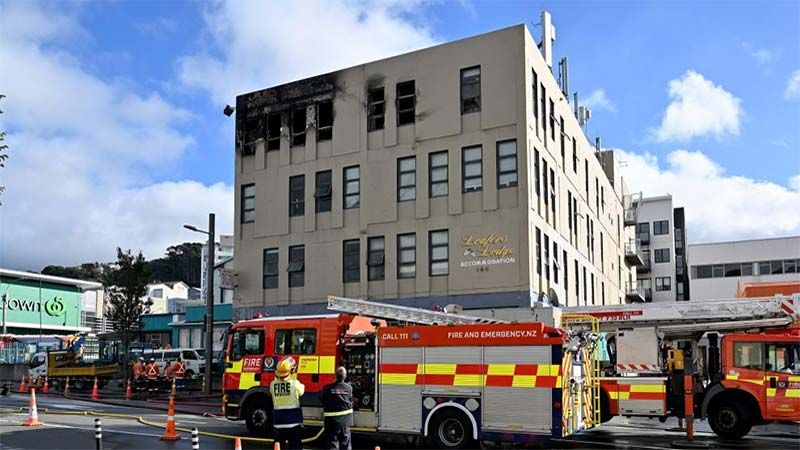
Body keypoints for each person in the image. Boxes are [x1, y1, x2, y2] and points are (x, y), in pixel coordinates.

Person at [269, 356, 305, 450]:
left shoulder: (273, 385)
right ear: (291, 371)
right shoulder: (295, 384)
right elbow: (302, 391)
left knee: (279, 447)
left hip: (278, 422)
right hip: (293, 423)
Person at [321, 367, 354, 450]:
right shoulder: (349, 388)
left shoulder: (327, 388)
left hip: (331, 422)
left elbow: (322, 399)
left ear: (335, 376)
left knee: (332, 443)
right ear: (345, 376)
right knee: (345, 443)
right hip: (345, 422)